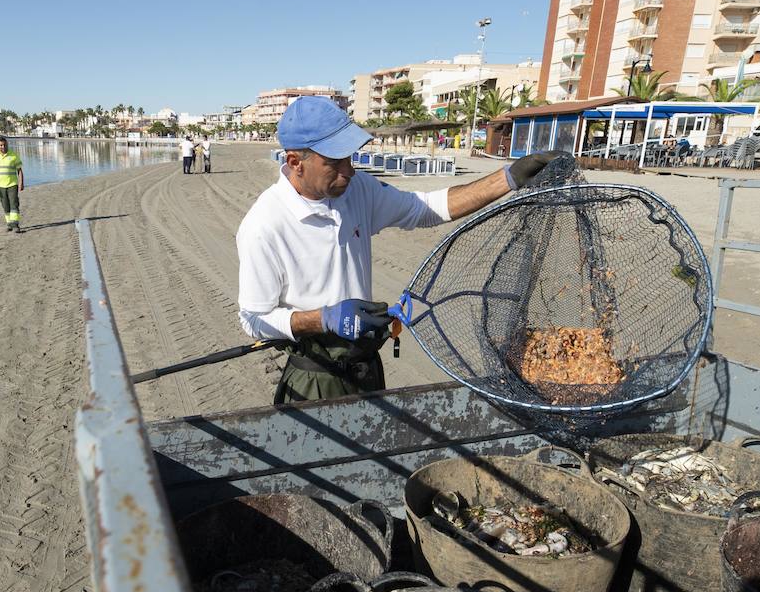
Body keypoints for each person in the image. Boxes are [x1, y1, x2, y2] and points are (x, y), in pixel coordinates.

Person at [236, 96, 558, 403]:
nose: (349, 169)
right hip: (316, 379)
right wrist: (323, 319)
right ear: (296, 163)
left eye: (350, 156)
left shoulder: (357, 190)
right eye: (335, 161)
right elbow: (254, 319)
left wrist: (508, 179)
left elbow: (424, 208)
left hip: (366, 369)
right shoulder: (264, 226)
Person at [0, 137, 25, 232]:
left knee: (14, 203)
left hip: (12, 184)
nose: (3, 147)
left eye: (5, 145)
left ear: (7, 144)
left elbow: (19, 170)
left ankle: (15, 224)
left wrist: (21, 183)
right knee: (5, 205)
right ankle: (9, 223)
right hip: (0, 185)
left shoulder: (13, 155)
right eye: (1, 145)